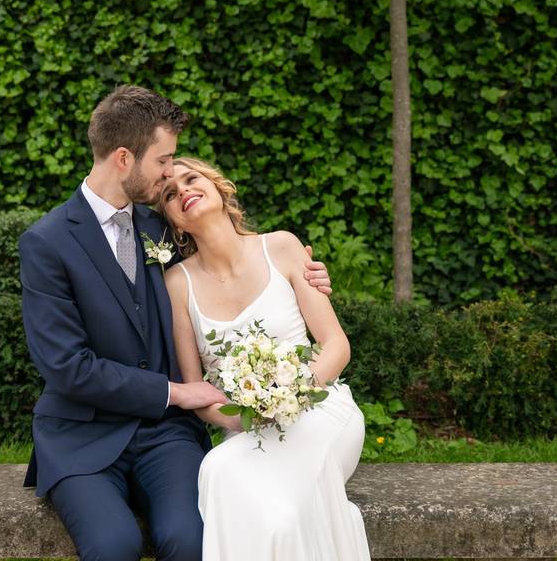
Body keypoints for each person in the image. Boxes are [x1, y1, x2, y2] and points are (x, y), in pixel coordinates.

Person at [19, 85, 332, 561]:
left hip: (165, 435)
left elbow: (234, 256)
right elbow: (67, 368)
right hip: (80, 436)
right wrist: (176, 392)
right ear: (124, 158)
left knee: (189, 540)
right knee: (113, 545)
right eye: (164, 161)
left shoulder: (163, 226)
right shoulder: (46, 243)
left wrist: (307, 273)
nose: (172, 172)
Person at [159, 157, 371, 561]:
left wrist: (290, 396)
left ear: (220, 189)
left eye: (191, 179)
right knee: (220, 470)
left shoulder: (282, 247)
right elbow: (198, 388)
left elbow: (336, 345)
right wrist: (243, 417)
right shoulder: (177, 284)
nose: (182, 190)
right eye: (170, 194)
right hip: (248, 431)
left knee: (271, 507)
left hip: (320, 413)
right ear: (174, 222)